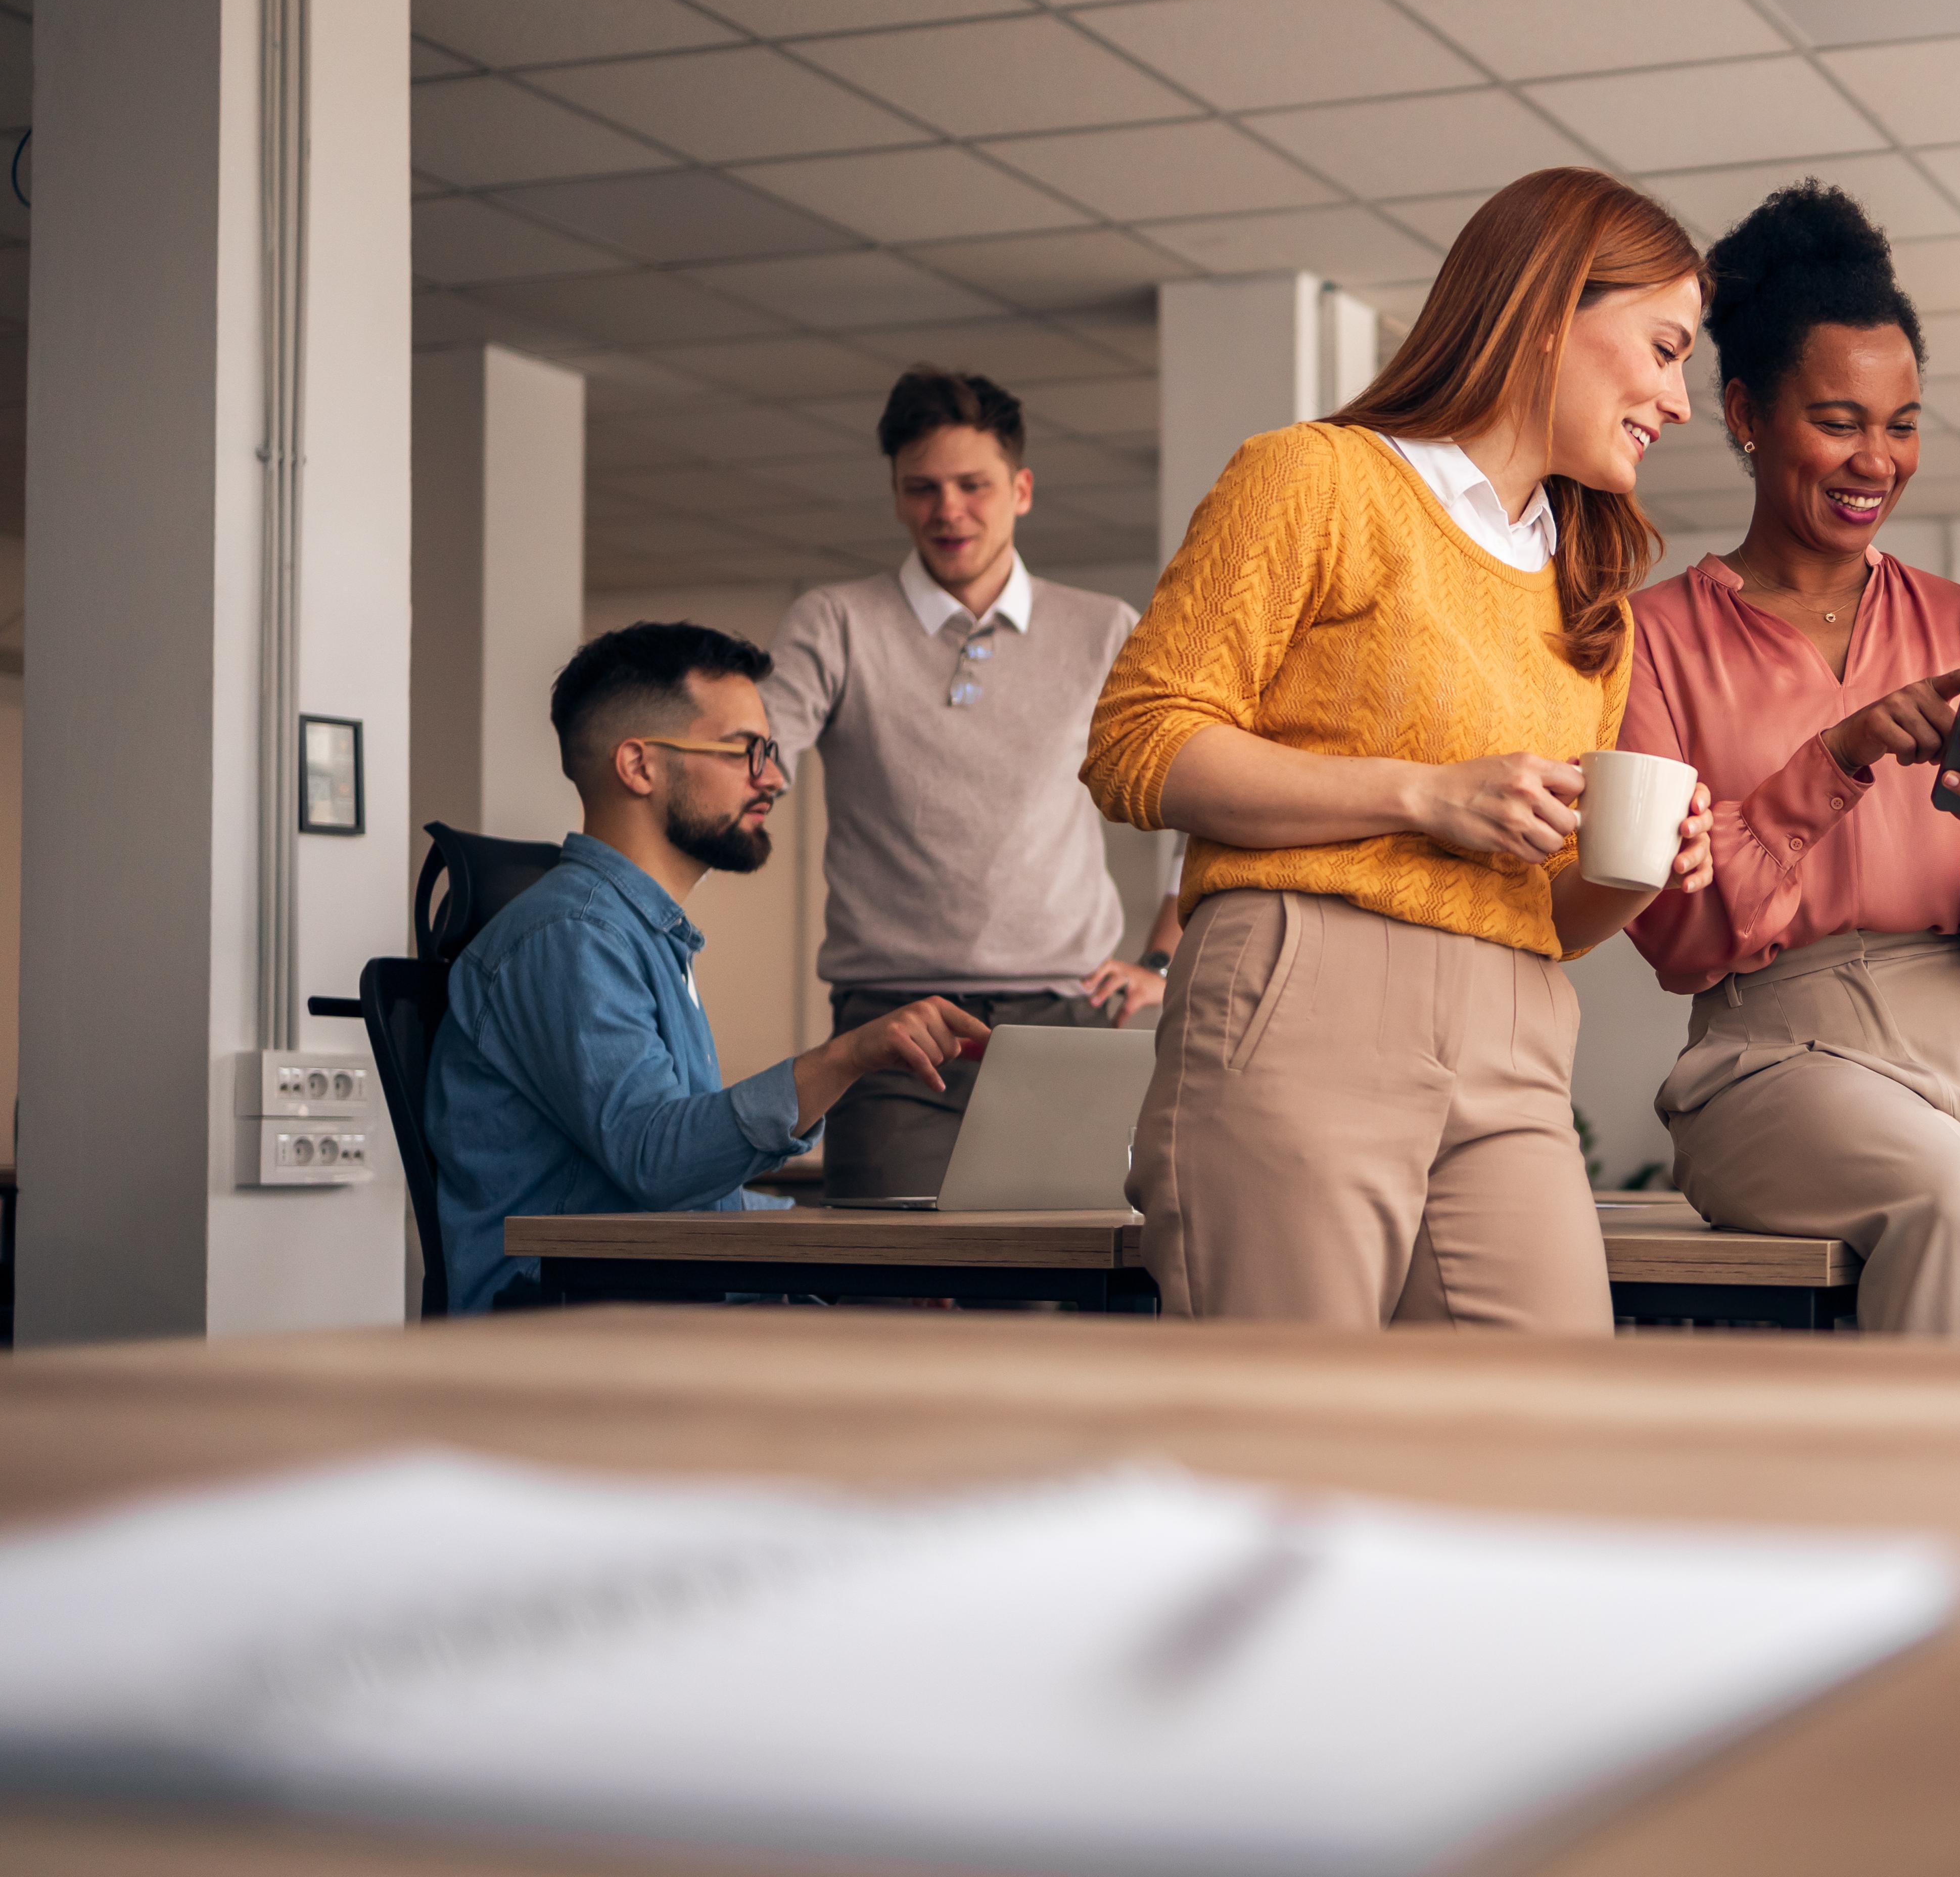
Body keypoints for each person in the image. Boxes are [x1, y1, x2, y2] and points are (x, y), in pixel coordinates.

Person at [1082, 168, 1716, 1332]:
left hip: (1516, 1030)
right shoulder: (1315, 478)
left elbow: (1547, 918)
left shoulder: (1593, 597)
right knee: (1291, 1445)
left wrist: (1631, 874)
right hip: (1302, 995)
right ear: (1546, 313)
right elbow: (1136, 745)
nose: (1681, 400)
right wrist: (1424, 796)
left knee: (1540, 1453)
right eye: (1665, 347)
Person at [1617, 184, 1960, 1349]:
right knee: (1946, 1200)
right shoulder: (1649, 642)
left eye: (1901, 423)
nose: (1877, 459)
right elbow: (1677, 934)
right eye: (1839, 419)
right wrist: (1836, 758)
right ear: (1746, 413)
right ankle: (1944, 1523)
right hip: (1770, 1045)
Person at [428, 623, 989, 1312]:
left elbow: (690, 1190)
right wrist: (847, 1058)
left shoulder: (634, 936)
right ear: (639, 767)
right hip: (575, 1329)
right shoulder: (573, 939)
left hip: (652, 1299)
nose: (775, 779)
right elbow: (658, 1162)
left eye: (771, 753)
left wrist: (865, 1254)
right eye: (746, 752)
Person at [757, 367, 1181, 1207]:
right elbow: (758, 762)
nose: (946, 508)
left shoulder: (1102, 627)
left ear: (1020, 490)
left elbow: (1188, 800)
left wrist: (1163, 958)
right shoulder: (834, 622)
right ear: (895, 495)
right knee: (898, 1298)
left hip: (1067, 1022)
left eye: (971, 485)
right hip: (894, 1026)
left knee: (1066, 1296)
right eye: (921, 488)